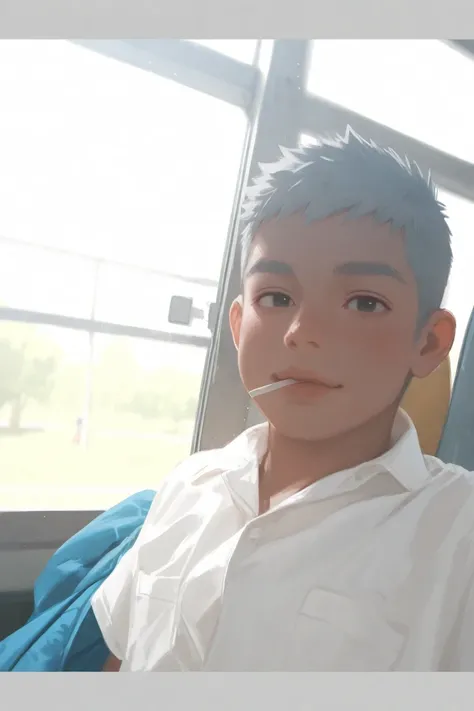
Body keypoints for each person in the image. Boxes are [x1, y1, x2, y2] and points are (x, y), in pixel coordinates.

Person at [93, 127, 474, 672]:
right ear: (237, 325)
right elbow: (120, 660)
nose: (301, 332)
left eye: (364, 303)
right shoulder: (188, 484)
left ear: (429, 342)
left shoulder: (457, 535)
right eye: (275, 297)